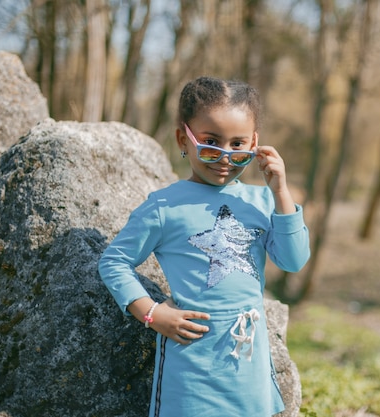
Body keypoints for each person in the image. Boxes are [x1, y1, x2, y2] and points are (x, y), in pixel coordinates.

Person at [98, 76, 310, 417]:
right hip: (192, 364)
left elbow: (294, 260)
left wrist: (281, 192)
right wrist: (152, 314)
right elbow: (114, 262)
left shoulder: (260, 200)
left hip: (248, 361)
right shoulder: (164, 206)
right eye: (211, 143)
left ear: (255, 143)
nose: (225, 157)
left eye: (238, 144)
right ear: (184, 138)